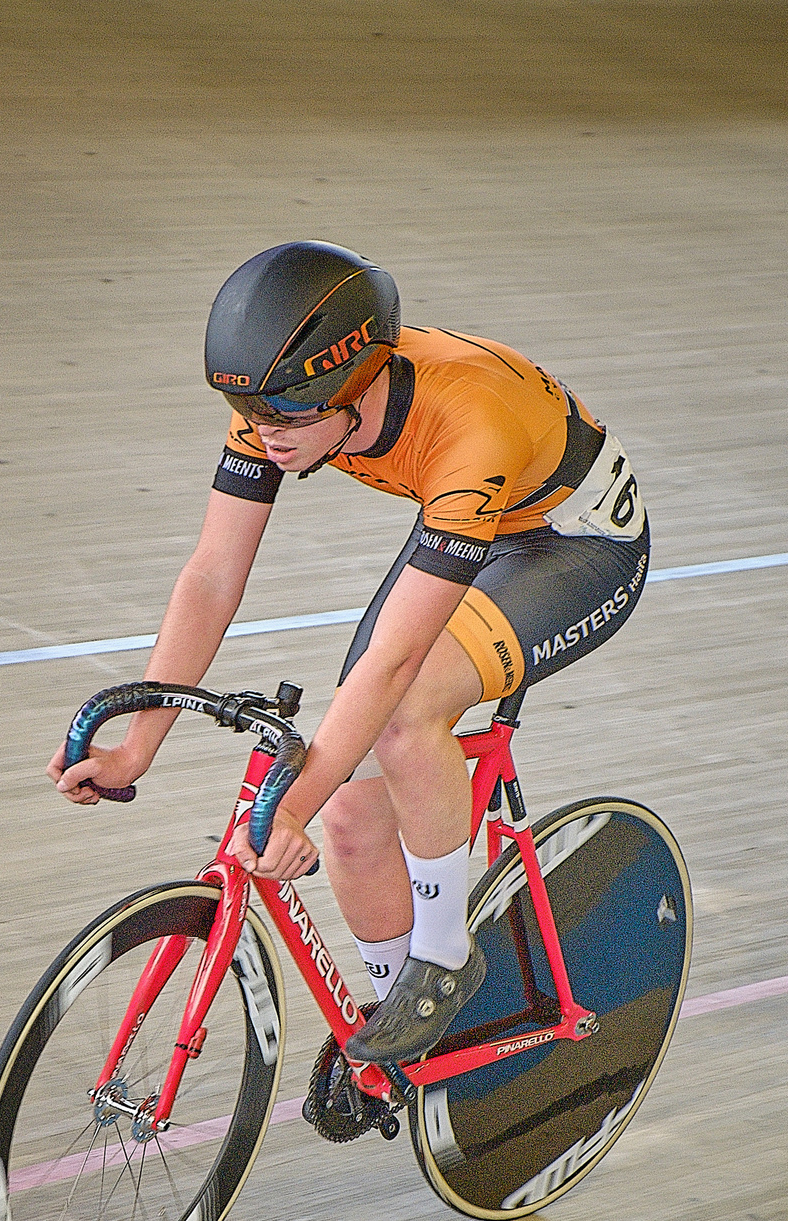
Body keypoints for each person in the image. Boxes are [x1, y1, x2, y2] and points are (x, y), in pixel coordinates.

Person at [49, 241, 652, 1074]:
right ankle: (399, 1042)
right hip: (472, 519)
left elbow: (393, 667)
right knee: (347, 814)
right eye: (250, 413)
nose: (268, 435)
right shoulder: (279, 397)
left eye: (291, 418)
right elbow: (212, 576)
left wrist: (285, 806)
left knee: (402, 715)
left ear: (358, 383)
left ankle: (443, 958)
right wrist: (136, 748)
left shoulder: (467, 424)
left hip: (575, 547)